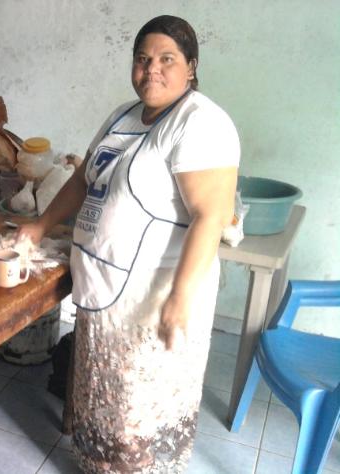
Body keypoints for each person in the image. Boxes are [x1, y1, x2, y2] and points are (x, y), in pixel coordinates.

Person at [17, 15, 240, 473]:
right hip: (106, 292)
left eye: (166, 59)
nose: (151, 69)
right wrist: (41, 225)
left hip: (154, 300)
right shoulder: (123, 115)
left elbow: (211, 215)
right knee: (106, 400)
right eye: (142, 58)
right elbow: (83, 179)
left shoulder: (200, 123)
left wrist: (180, 298)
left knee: (138, 412)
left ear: (191, 67)